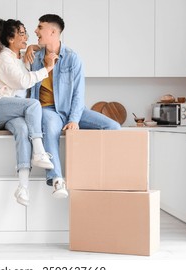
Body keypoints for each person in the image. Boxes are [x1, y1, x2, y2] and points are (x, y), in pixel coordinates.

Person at [26, 14, 121, 197]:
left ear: (52, 31)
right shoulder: (35, 57)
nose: (35, 31)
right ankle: (57, 180)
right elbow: (16, 62)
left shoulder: (72, 58)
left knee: (113, 127)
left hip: (72, 109)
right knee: (50, 131)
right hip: (47, 110)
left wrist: (74, 120)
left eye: (39, 27)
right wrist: (30, 47)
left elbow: (79, 93)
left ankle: (104, 174)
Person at [0, 18, 58, 206]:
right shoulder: (5, 58)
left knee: (23, 130)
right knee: (32, 105)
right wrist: (47, 68)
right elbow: (23, 82)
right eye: (22, 34)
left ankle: (22, 187)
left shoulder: (19, 59)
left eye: (25, 34)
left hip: (11, 112)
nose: (25, 36)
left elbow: (36, 53)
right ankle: (39, 151)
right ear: (10, 38)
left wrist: (32, 46)